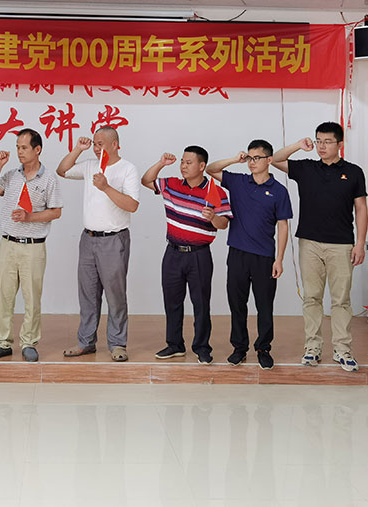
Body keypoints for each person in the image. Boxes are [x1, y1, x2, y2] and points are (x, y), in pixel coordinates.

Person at [271, 122, 368, 371]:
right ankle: (312, 348)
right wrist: (298, 145)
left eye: (327, 141)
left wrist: (360, 243)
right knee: (312, 297)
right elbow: (275, 159)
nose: (322, 146)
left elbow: (361, 209)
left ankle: (342, 349)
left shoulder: (354, 172)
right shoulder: (306, 168)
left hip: (342, 245)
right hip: (310, 243)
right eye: (318, 141)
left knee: (341, 300)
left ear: (340, 144)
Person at [141, 146, 232, 364]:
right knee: (172, 302)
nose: (183, 166)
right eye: (182, 161)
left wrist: (213, 217)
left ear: (202, 166)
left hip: (199, 256)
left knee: (201, 303)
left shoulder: (215, 192)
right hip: (172, 253)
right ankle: (175, 345)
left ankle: (202, 347)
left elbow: (224, 224)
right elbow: (146, 180)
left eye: (188, 162)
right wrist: (161, 163)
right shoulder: (172, 185)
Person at [206, 140, 292, 370]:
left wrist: (279, 259)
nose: (252, 162)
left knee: (264, 306)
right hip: (238, 254)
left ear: (269, 160)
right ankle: (239, 348)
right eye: (250, 158)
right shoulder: (238, 181)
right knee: (237, 304)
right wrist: (235, 159)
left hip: (264, 257)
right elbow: (211, 169)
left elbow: (283, 226)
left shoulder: (279, 191)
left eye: (257, 158)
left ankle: (263, 348)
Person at [57, 126, 140, 362]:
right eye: (94, 143)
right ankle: (86, 342)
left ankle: (117, 343)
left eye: (100, 144)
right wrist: (78, 149)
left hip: (114, 240)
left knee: (115, 295)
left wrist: (105, 187)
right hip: (88, 239)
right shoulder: (89, 165)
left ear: (115, 144)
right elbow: (62, 170)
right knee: (87, 294)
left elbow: (132, 205)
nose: (96, 148)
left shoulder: (127, 169)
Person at [0, 129, 63, 362]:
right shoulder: (11, 175)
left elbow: (56, 212)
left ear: (37, 149)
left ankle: (29, 342)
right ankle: (2, 343)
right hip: (8, 244)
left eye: (24, 147)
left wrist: (30, 217)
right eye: (17, 147)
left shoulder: (48, 179)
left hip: (33, 247)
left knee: (32, 298)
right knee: (4, 296)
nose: (19, 151)